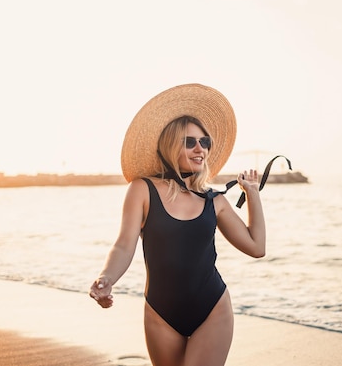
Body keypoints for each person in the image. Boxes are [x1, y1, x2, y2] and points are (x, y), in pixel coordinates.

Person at [89, 83, 266, 366]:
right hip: (160, 313)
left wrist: (252, 194)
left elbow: (257, 247)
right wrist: (107, 277)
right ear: (171, 146)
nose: (201, 149)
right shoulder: (142, 189)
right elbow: (124, 244)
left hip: (213, 309)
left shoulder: (214, 200)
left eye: (205, 142)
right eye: (190, 142)